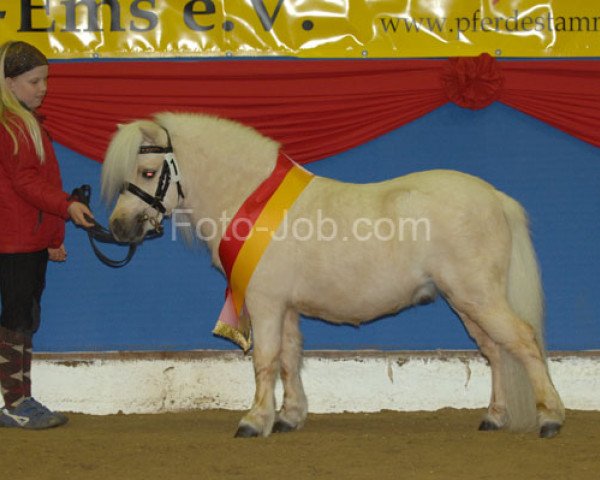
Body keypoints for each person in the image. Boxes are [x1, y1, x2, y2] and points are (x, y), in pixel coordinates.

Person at [0, 41, 94, 429]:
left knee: (23, 320)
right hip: (15, 240)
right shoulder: (13, 127)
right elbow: (26, 183)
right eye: (33, 81)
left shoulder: (27, 123)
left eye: (44, 80)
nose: (43, 88)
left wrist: (54, 237)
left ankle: (19, 401)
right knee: (17, 321)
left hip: (28, 239)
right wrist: (67, 208)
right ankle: (16, 405)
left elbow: (42, 183)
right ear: (8, 83)